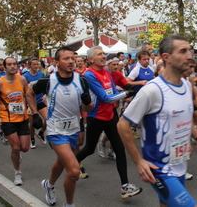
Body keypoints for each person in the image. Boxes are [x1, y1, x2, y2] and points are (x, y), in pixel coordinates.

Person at [118, 35, 197, 207]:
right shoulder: (152, 90)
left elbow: (185, 118)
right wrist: (139, 161)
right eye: (182, 51)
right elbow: (123, 124)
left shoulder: (186, 85)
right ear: (166, 57)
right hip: (159, 170)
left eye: (189, 50)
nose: (189, 56)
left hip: (180, 165)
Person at [27, 47, 93, 207]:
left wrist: (87, 102)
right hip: (55, 130)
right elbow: (29, 92)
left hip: (74, 130)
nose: (71, 61)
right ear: (56, 63)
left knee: (61, 162)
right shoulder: (48, 81)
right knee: (74, 171)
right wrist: (35, 113)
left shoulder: (82, 80)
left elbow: (88, 109)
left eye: (72, 58)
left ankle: (48, 185)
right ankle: (69, 204)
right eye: (66, 59)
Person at [76, 46, 142, 199]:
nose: (104, 56)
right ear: (91, 59)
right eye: (100, 54)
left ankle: (125, 186)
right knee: (89, 149)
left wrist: (132, 93)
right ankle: (71, 164)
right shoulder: (89, 75)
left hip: (111, 115)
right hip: (96, 117)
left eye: (104, 53)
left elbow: (113, 92)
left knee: (120, 149)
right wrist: (128, 93)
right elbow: (105, 98)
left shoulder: (106, 72)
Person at [0, 57, 30, 185]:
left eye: (14, 64)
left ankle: (17, 155)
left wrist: (29, 108)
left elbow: (28, 95)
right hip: (8, 119)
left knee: (25, 148)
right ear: (5, 67)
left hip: (23, 118)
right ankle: (17, 172)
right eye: (9, 64)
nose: (12, 66)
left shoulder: (22, 79)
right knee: (15, 147)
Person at [22, 57, 47, 148]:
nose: (36, 66)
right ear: (29, 65)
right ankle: (32, 139)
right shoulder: (25, 76)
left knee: (48, 120)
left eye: (37, 64)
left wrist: (45, 95)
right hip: (31, 103)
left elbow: (45, 86)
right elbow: (24, 92)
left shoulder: (41, 74)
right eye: (34, 64)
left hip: (40, 101)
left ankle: (41, 133)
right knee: (32, 123)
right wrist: (28, 105)